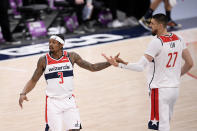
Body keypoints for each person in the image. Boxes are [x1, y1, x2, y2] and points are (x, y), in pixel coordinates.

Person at [103, 14, 193, 131]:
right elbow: (190, 63)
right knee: (165, 124)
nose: (150, 25)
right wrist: (175, 76)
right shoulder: (179, 38)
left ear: (160, 26)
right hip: (174, 90)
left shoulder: (156, 42)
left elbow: (140, 67)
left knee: (160, 127)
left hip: (159, 91)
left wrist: (119, 65)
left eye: (153, 23)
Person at [18, 34, 111, 131]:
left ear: (61, 45)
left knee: (75, 129)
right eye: (49, 42)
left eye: (54, 42)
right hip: (53, 102)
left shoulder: (72, 56)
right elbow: (33, 80)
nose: (50, 44)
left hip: (69, 100)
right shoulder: (43, 60)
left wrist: (109, 63)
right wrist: (23, 93)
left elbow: (92, 67)